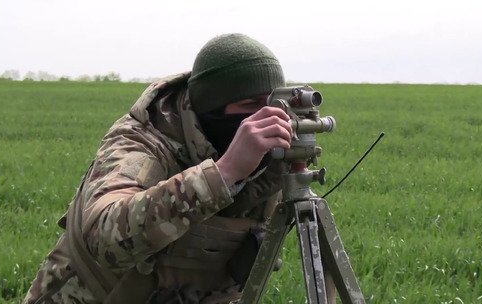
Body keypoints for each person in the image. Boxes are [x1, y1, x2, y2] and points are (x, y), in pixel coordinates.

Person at [23, 33, 294, 304]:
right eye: (251, 105)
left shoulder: (268, 157)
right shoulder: (143, 140)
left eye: (274, 103)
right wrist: (224, 173)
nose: (267, 117)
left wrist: (286, 174)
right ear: (211, 106)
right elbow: (104, 237)